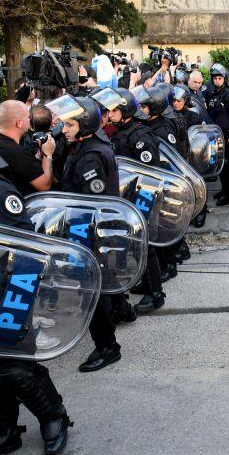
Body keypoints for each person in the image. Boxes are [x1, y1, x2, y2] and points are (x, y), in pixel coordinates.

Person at [0, 113, 71, 455]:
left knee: (13, 365)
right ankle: (3, 429)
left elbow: (26, 246)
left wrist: (16, 300)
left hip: (6, 291)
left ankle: (53, 415)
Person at [48, 94, 123, 373]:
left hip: (89, 233)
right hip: (88, 231)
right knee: (100, 287)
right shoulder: (85, 146)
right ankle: (118, 315)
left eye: (69, 125)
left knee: (92, 289)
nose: (64, 129)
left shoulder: (91, 155)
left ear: (84, 124)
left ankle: (108, 346)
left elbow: (92, 204)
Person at [95, 87, 165, 315]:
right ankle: (145, 281)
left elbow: (150, 172)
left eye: (113, 110)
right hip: (126, 198)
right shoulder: (119, 131)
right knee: (135, 244)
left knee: (146, 245)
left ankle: (156, 294)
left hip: (141, 196)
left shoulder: (139, 135)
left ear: (124, 110)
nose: (109, 114)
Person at [0, 100, 55, 195]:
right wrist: (47, 155)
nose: (30, 121)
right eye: (28, 118)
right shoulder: (16, 152)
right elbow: (44, 185)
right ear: (19, 123)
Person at [203, 63, 229, 206]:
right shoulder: (212, 94)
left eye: (219, 78)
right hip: (215, 135)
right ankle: (223, 190)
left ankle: (228, 194)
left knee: (227, 166)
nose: (217, 81)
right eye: (214, 79)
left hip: (227, 137)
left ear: (224, 79)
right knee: (219, 165)